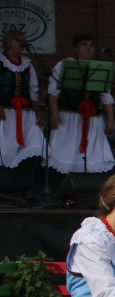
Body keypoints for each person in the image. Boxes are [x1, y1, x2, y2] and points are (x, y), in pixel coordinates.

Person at [46, 33, 114, 175]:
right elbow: (53, 91)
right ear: (75, 48)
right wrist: (54, 114)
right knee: (67, 153)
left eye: (91, 45)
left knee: (92, 157)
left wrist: (110, 120)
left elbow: (105, 95)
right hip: (69, 118)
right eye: (84, 44)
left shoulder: (99, 67)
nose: (88, 48)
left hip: (93, 120)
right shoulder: (65, 64)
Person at [0, 30, 45, 187]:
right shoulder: (0, 61)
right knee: (5, 148)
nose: (22, 43)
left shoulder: (27, 64)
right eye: (18, 40)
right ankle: (4, 186)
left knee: (34, 145)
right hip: (5, 113)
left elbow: (33, 93)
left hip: (26, 114)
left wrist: (38, 114)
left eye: (23, 40)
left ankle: (26, 186)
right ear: (9, 42)